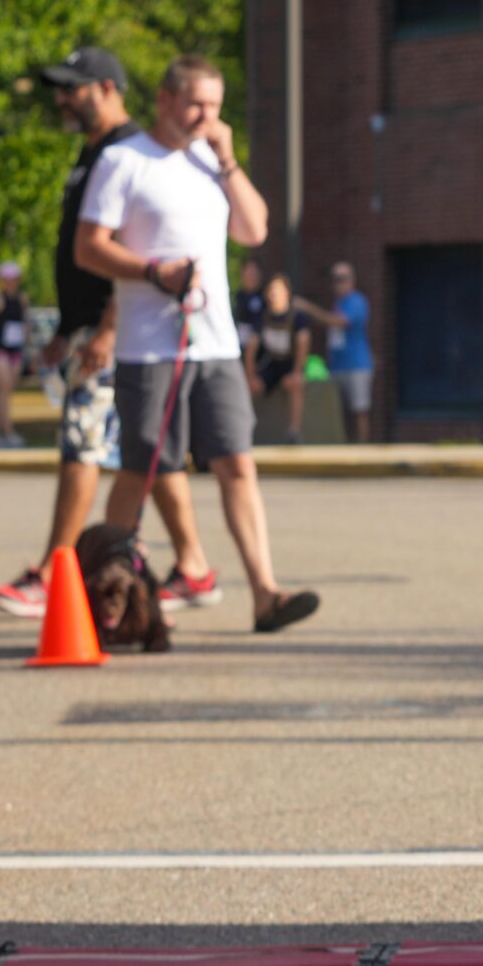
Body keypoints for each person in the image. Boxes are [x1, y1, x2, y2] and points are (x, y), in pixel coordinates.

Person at [80, 53, 317, 634]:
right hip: (150, 348)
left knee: (237, 463)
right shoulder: (123, 161)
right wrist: (153, 273)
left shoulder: (213, 162)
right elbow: (89, 248)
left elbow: (256, 229)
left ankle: (265, 594)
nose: (205, 116)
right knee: (143, 469)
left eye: (214, 105)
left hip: (215, 346)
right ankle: (106, 600)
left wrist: (229, 160)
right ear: (164, 100)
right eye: (194, 104)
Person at [0, 47, 141, 617]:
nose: (61, 99)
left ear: (105, 87)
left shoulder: (128, 152)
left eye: (72, 88)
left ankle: (55, 572)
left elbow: (134, 248)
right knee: (144, 457)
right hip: (87, 331)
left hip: (114, 334)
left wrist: (106, 327)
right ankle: (172, 566)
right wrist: (69, 327)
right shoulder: (94, 153)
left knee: (83, 445)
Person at [299, 260, 373, 443]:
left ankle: (363, 452)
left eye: (342, 278)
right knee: (336, 412)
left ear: (352, 280)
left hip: (357, 365)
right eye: (334, 279)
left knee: (359, 411)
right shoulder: (337, 303)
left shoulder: (357, 301)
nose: (338, 283)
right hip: (337, 365)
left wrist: (308, 308)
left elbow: (337, 321)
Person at [245, 272, 313, 444]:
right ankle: (244, 430)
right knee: (250, 387)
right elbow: (251, 347)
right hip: (272, 362)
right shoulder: (263, 317)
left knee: (295, 384)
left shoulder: (296, 316)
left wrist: (298, 371)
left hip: (290, 363)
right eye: (271, 291)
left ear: (286, 293)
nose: (273, 295)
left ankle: (294, 432)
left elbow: (303, 341)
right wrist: (250, 374)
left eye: (277, 291)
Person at [0, 262, 32, 449]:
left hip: (15, 353)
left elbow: (25, 324)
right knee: (1, 393)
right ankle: (6, 431)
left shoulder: (22, 299)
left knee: (5, 395)